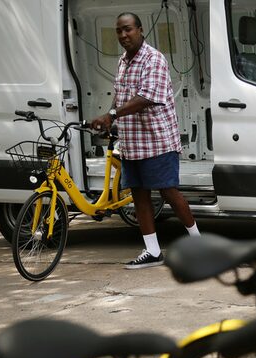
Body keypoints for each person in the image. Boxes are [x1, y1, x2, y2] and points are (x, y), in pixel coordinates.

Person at [91, 12, 199, 269]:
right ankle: (153, 251)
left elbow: (145, 98)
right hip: (132, 143)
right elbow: (120, 98)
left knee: (169, 192)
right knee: (139, 195)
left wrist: (112, 114)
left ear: (140, 30)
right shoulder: (122, 62)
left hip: (157, 141)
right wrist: (110, 120)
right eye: (118, 31)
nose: (123, 35)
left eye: (128, 29)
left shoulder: (153, 59)